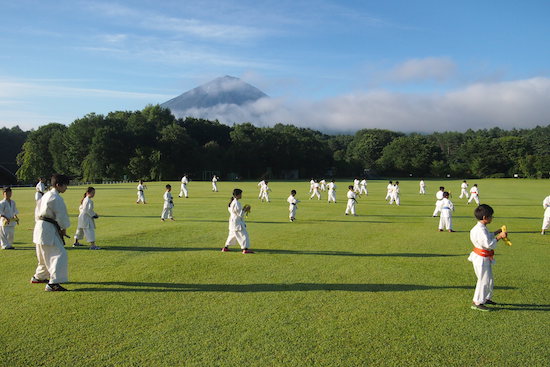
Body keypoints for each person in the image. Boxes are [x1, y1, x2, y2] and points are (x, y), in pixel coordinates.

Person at [31, 174, 71, 291]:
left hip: (40, 226)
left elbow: (37, 210)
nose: (66, 188)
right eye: (65, 185)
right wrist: (63, 229)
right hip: (47, 228)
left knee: (43, 255)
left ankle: (39, 277)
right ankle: (53, 283)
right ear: (58, 185)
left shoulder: (46, 195)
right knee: (59, 254)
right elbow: (61, 216)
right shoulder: (56, 198)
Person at [468, 204, 507, 311]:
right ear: (485, 218)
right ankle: (477, 302)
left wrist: (496, 232)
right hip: (481, 258)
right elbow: (489, 244)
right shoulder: (480, 230)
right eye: (491, 216)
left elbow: (487, 236)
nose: (492, 218)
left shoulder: (480, 228)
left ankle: (485, 298)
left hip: (482, 256)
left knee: (489, 279)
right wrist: (500, 237)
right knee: (483, 280)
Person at [222, 188, 253, 254]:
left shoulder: (233, 202)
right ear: (237, 195)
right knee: (244, 235)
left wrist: (244, 209)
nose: (241, 195)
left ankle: (225, 248)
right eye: (241, 194)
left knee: (232, 235)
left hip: (233, 221)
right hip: (237, 222)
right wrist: (245, 209)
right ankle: (245, 249)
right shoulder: (236, 203)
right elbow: (240, 214)